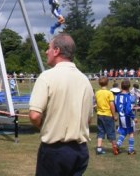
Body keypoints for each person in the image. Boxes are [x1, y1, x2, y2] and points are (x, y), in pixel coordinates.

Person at [29, 33, 93, 175]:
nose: (46, 52)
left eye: (49, 48)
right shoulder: (85, 80)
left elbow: (34, 115)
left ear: (56, 50)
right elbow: (89, 119)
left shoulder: (46, 77)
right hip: (80, 151)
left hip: (55, 151)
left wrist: (46, 126)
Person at [95, 76, 118, 155]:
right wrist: (114, 115)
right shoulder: (109, 93)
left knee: (100, 132)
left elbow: (96, 103)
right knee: (111, 131)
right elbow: (112, 105)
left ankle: (99, 148)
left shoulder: (97, 93)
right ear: (107, 83)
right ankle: (115, 147)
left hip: (99, 115)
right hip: (108, 115)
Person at [115, 79, 137, 155]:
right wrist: (133, 117)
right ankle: (131, 150)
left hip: (121, 117)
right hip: (127, 117)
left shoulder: (117, 96)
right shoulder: (128, 97)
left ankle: (117, 145)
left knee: (123, 132)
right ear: (129, 87)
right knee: (131, 133)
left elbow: (116, 107)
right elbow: (128, 110)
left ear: (121, 86)